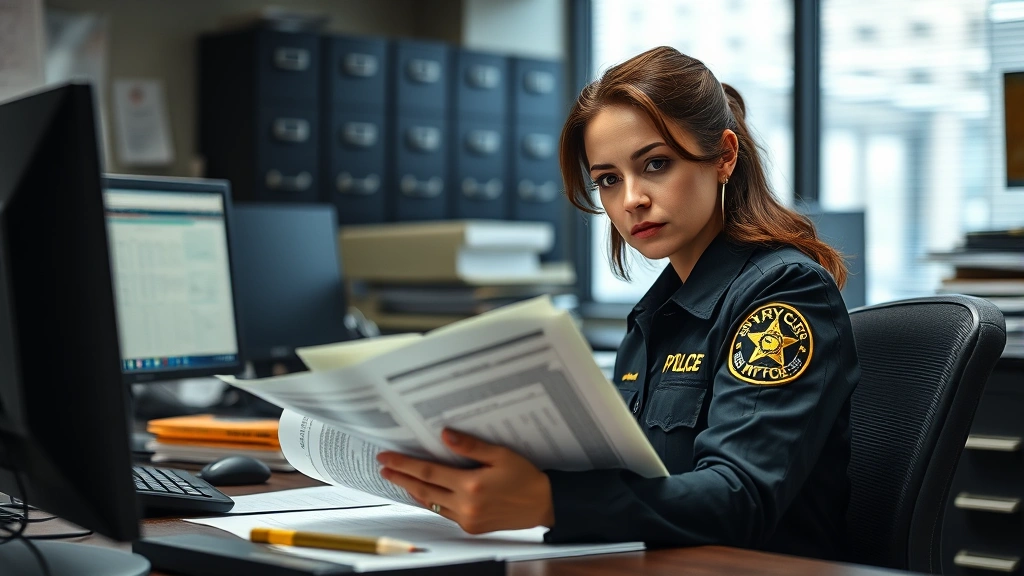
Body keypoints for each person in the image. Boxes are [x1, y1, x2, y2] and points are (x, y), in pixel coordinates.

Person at [376, 46, 861, 561]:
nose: (630, 199)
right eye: (608, 179)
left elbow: (738, 498)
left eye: (655, 164)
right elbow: (631, 481)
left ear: (724, 156)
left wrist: (551, 502)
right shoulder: (652, 316)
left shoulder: (784, 293)